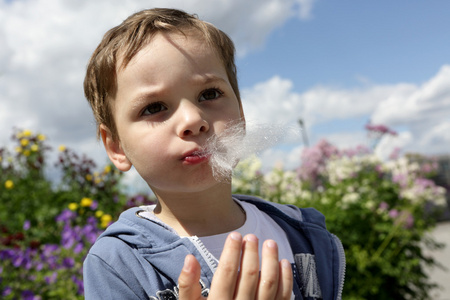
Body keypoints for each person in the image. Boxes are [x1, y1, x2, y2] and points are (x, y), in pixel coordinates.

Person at [83, 8, 345, 300]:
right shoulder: (119, 263)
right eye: (155, 107)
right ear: (116, 146)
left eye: (209, 94)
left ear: (241, 114)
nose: (193, 120)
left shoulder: (303, 236)